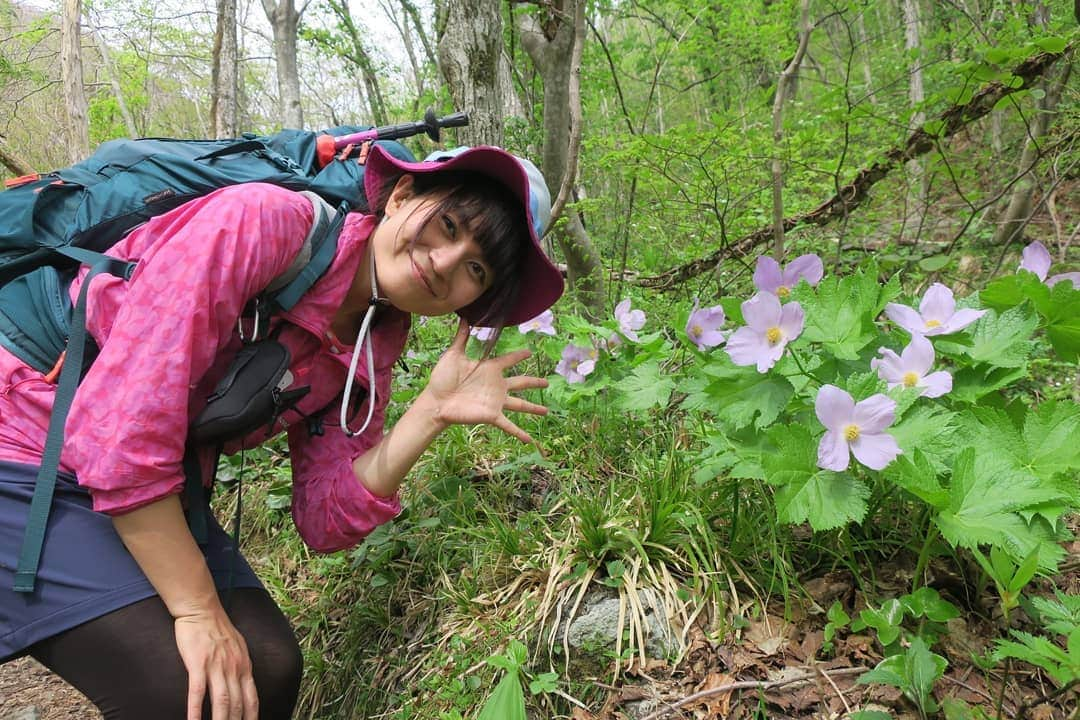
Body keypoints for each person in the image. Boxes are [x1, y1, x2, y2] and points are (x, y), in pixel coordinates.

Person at [0, 143, 564, 720]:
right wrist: (199, 613)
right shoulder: (262, 223)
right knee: (179, 688)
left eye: (476, 267)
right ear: (399, 197)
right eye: (447, 225)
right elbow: (121, 441)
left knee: (268, 665)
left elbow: (323, 517)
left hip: (133, 473)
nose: (445, 261)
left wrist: (430, 414)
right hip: (21, 429)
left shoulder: (375, 341)